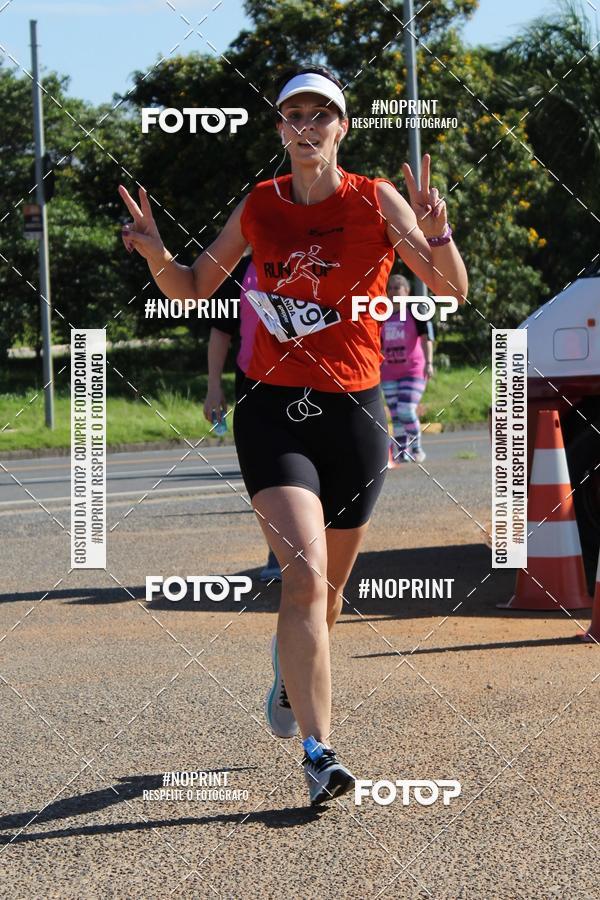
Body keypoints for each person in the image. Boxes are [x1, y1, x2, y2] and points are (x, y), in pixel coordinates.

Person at [119, 64, 468, 806]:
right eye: (292, 117)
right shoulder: (260, 206)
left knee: (329, 601)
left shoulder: (376, 198)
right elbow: (191, 288)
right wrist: (154, 251)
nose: (306, 129)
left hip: (356, 416)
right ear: (279, 129)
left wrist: (438, 237)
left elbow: (452, 288)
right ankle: (319, 754)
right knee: (304, 577)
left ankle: (289, 664)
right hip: (273, 409)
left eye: (320, 116)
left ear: (342, 127)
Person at [203, 252, 282, 582]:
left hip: (314, 384)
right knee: (268, 474)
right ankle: (280, 553)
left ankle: (316, 551)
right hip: (254, 384)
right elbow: (221, 331)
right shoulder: (238, 270)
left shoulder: (311, 253)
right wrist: (213, 387)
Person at [381, 273, 435, 466]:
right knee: (395, 414)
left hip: (413, 370)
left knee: (406, 409)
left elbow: (426, 339)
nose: (393, 292)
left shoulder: (416, 313)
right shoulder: (382, 315)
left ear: (407, 291)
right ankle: (403, 452)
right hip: (388, 372)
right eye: (391, 288)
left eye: (397, 288)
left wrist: (429, 363)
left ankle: (416, 447)